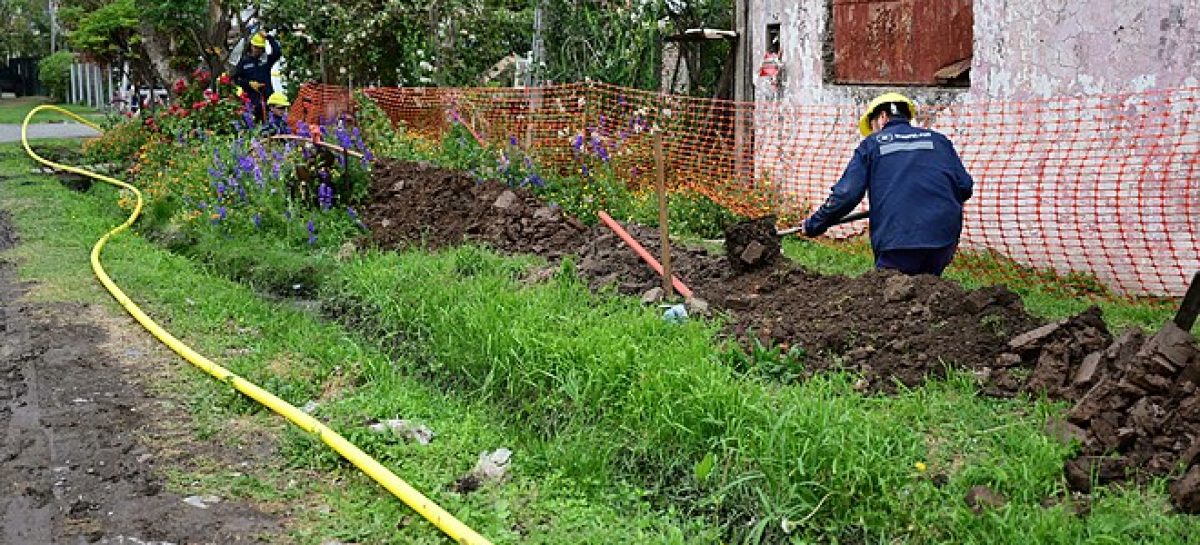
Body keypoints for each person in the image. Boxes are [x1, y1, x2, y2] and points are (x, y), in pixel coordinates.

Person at [801, 92, 973, 276]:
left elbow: (847, 194)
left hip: (898, 240)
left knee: (892, 296)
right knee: (928, 290)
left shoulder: (872, 144)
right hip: (943, 238)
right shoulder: (939, 140)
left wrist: (815, 223)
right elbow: (965, 186)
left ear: (882, 117)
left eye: (873, 125)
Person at [233, 31, 282, 123]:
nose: (257, 50)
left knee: (271, 124)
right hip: (252, 100)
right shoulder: (244, 62)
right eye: (255, 47)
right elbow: (236, 79)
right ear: (251, 46)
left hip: (267, 98)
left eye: (259, 48)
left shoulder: (266, 60)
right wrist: (248, 83)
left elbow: (277, 52)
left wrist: (268, 37)